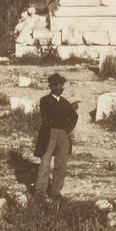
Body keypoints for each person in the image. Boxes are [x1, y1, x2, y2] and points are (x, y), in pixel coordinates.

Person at [34, 72, 79, 200]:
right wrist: (71, 107)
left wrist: (68, 130)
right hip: (49, 133)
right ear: (52, 87)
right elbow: (51, 114)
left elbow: (74, 116)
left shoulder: (65, 102)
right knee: (45, 162)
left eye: (62, 85)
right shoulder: (45, 101)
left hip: (63, 135)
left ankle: (55, 191)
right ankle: (40, 192)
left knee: (62, 162)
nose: (62, 88)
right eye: (59, 85)